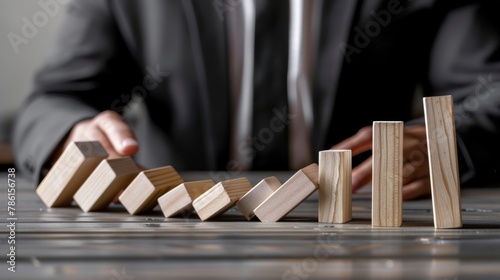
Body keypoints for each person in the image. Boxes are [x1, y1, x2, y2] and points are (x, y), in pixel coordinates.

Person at [13, 0, 500, 200]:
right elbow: (53, 101)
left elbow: (491, 91)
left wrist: (449, 145)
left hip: (368, 217)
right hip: (171, 238)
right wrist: (71, 135)